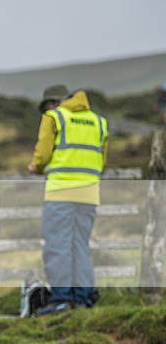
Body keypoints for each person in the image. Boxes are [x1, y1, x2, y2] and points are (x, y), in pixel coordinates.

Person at [28, 85, 108, 315]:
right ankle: (83, 299)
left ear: (53, 103)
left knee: (57, 246)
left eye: (46, 106)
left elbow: (42, 155)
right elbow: (102, 161)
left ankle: (61, 300)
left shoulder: (55, 118)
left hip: (61, 192)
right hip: (89, 194)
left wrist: (36, 166)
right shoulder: (98, 121)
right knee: (80, 245)